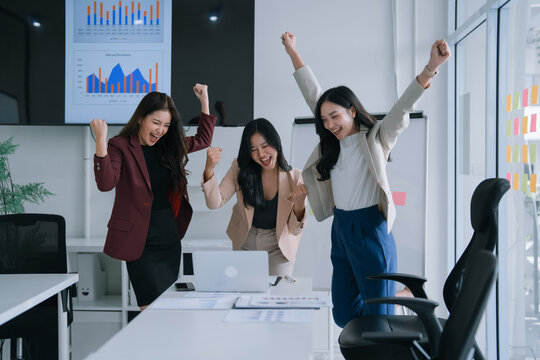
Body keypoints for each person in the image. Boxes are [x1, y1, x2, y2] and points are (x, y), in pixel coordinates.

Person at [281, 31, 450, 327]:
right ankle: (399, 293)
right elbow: (313, 92)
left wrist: (430, 68)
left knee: (378, 316)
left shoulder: (376, 138)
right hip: (342, 228)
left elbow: (401, 110)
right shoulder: (330, 144)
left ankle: (398, 301)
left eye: (336, 116)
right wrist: (292, 52)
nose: (330, 124)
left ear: (352, 111)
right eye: (325, 120)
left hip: (371, 228)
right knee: (344, 315)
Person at [90, 85, 217, 310]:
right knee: (149, 310)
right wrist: (101, 141)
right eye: (156, 123)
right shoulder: (119, 145)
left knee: (168, 311)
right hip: (140, 243)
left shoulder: (169, 146)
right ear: (141, 118)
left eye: (166, 125)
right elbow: (106, 183)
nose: (160, 130)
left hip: (168, 237)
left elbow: (203, 139)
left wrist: (204, 102)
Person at [201, 118, 308, 276]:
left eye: (265, 146)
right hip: (245, 242)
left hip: (279, 248)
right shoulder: (239, 168)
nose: (261, 154)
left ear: (276, 143)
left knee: (275, 297)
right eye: (253, 149)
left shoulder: (295, 177)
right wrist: (209, 169)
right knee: (243, 294)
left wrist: (299, 207)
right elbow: (214, 203)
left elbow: (293, 230)